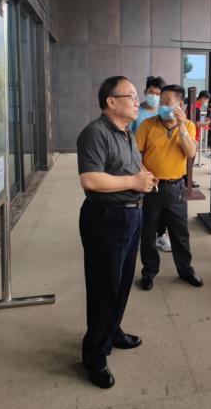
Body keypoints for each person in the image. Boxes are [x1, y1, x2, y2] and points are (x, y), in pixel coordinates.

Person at [76, 76, 156, 389]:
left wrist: (143, 177)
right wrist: (133, 182)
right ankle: (94, 356)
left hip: (131, 215)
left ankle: (112, 330)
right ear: (111, 101)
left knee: (122, 282)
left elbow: (129, 170)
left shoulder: (126, 133)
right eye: (131, 96)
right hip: (106, 218)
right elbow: (91, 180)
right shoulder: (95, 133)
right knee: (104, 286)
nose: (138, 101)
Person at [136, 84, 204, 290]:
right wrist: (144, 174)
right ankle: (149, 271)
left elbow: (190, 153)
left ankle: (185, 270)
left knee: (180, 233)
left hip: (176, 188)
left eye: (167, 102)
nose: (162, 106)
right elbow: (136, 155)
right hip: (151, 188)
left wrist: (181, 127)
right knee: (148, 234)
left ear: (180, 105)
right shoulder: (147, 125)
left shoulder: (189, 126)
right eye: (161, 102)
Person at [130, 76, 172, 252]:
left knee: (162, 206)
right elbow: (129, 139)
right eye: (151, 92)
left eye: (158, 93)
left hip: (162, 167)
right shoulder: (136, 112)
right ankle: (142, 234)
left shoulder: (165, 113)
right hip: (140, 166)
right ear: (145, 92)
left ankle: (160, 235)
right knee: (143, 203)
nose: (154, 96)